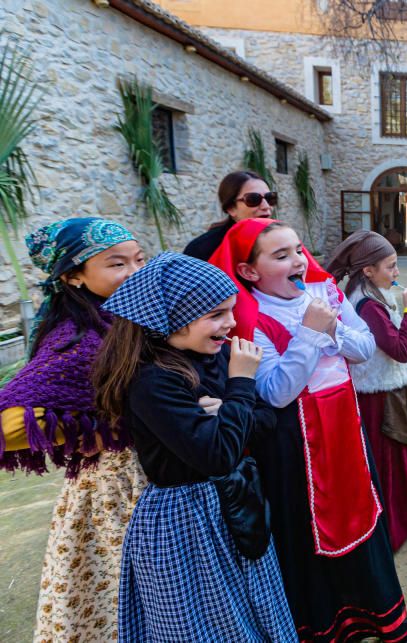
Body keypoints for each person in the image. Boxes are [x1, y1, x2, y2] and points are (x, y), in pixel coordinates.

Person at [208, 218, 407, 642]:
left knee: (361, 515)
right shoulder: (250, 317)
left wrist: (333, 326)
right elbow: (277, 392)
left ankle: (377, 613)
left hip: (346, 431)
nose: (298, 260)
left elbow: (363, 349)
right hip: (293, 444)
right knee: (307, 533)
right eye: (280, 256)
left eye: (298, 250)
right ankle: (326, 626)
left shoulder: (327, 293)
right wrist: (309, 333)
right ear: (249, 271)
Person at [92, 252, 296, 642]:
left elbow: (269, 420)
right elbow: (216, 454)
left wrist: (229, 414)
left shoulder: (213, 355)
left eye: (231, 311)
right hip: (185, 520)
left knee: (251, 614)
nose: (232, 323)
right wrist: (240, 387)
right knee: (206, 625)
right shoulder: (153, 381)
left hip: (234, 506)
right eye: (217, 315)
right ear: (168, 318)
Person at [0, 218, 148, 642]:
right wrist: (103, 430)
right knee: (119, 607)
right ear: (73, 276)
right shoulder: (77, 339)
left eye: (140, 259)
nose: (135, 272)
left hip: (153, 479)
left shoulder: (121, 319)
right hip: (117, 491)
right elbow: (12, 422)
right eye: (117, 264)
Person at [327, 231, 407, 551]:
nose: (397, 272)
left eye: (396, 265)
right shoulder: (368, 305)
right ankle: (393, 527)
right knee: (394, 461)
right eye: (390, 266)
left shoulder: (369, 294)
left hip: (384, 392)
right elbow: (400, 350)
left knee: (403, 457)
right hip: (380, 398)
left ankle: (404, 519)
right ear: (367, 271)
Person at [183, 170, 276, 260]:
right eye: (253, 199)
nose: (266, 206)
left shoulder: (280, 239)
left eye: (270, 198)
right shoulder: (201, 251)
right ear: (231, 208)